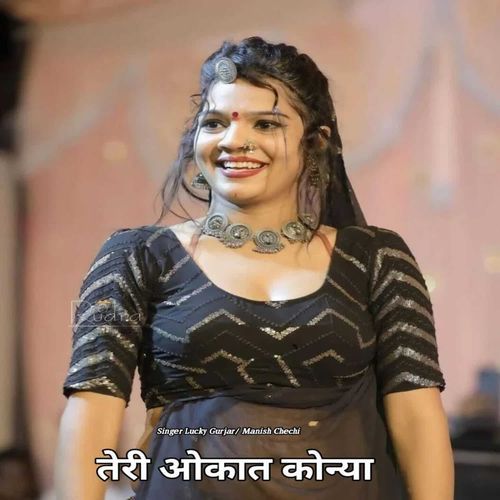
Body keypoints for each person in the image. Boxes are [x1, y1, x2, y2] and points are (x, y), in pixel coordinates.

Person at [54, 37, 454, 499]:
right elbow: (92, 410)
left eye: (266, 123)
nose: (233, 140)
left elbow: (417, 416)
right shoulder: (137, 256)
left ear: (316, 142)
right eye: (214, 123)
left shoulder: (376, 258)